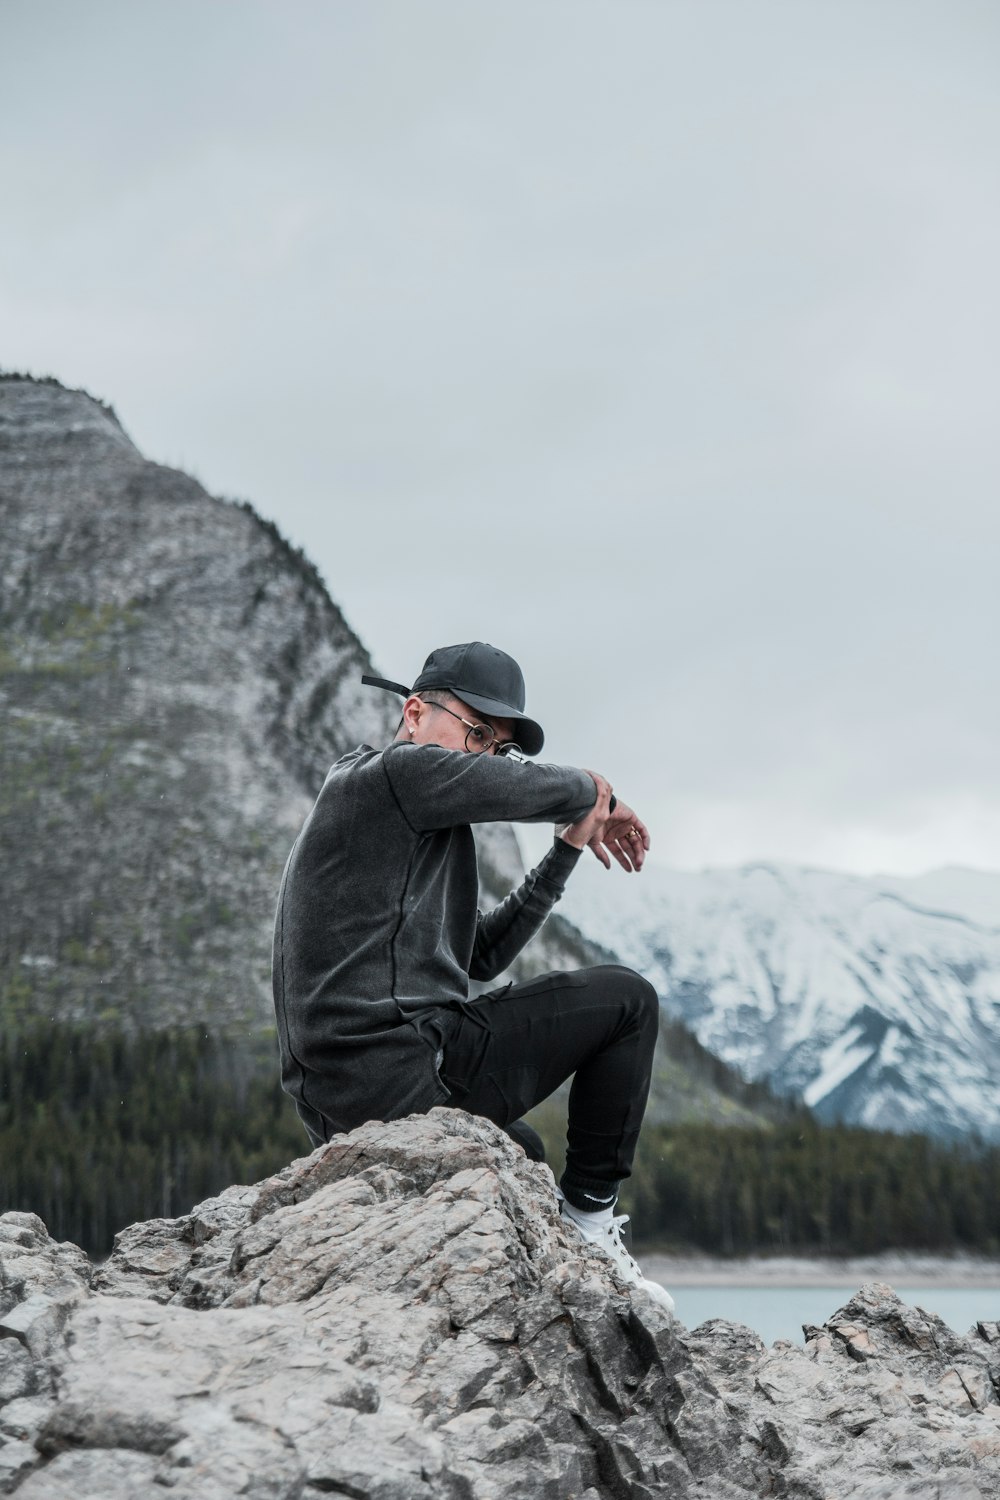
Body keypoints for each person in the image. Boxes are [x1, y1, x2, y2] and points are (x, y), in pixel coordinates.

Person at [272, 641, 673, 1311]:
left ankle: (568, 1257)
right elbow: (547, 788)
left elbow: (479, 958)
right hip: (396, 1062)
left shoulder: (416, 823)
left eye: (498, 748)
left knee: (523, 1153)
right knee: (627, 1001)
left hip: (357, 1089)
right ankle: (593, 1227)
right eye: (476, 732)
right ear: (413, 713)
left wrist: (566, 850)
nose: (483, 757)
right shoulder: (386, 776)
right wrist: (596, 794)